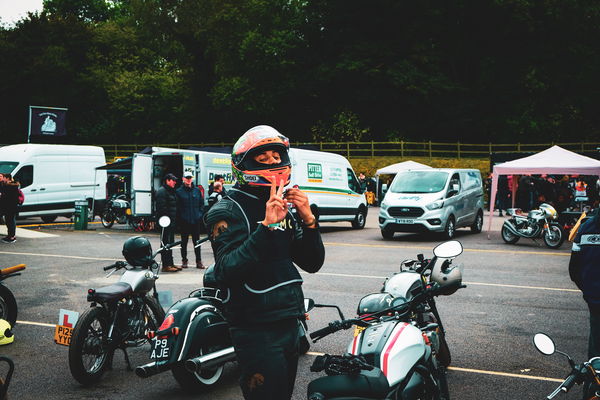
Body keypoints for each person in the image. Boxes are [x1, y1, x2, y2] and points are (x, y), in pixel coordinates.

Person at [204, 125, 325, 400]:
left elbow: (312, 262)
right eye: (263, 157)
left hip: (289, 321)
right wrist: (267, 228)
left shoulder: (281, 204)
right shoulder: (226, 210)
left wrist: (309, 221)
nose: (272, 161)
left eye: (275, 155)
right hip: (255, 328)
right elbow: (225, 270)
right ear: (244, 163)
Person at [568, 208, 600, 362]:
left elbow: (574, 270)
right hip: (594, 298)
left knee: (595, 352)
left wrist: (589, 291)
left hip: (594, 300)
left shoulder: (585, 226)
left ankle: (593, 382)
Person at [176, 171, 205, 269]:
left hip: (195, 221)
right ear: (183, 179)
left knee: (197, 242)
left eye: (190, 178)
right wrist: (181, 218)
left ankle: (199, 261)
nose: (188, 180)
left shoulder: (197, 190)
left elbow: (201, 204)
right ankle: (184, 260)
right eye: (186, 178)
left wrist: (199, 215)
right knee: (183, 243)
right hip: (184, 222)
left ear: (192, 179)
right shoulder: (179, 191)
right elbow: (177, 207)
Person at [155, 173, 179, 272]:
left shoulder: (170, 191)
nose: (175, 182)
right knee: (165, 243)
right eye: (173, 180)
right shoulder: (162, 192)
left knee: (171, 243)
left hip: (171, 222)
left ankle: (171, 263)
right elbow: (162, 209)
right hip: (165, 222)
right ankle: (166, 265)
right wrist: (167, 221)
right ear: (167, 181)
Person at [0, 173, 19, 243]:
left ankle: (11, 237)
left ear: (7, 178)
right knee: (9, 221)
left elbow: (8, 197)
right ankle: (10, 236)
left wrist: (2, 195)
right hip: (10, 207)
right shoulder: (11, 186)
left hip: (10, 207)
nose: (3, 179)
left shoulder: (10, 186)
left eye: (3, 178)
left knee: (10, 222)